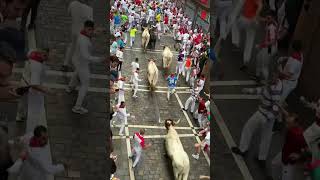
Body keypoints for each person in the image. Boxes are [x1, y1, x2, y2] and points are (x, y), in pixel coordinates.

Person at [231, 74, 283, 168]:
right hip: (266, 115)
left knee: (248, 128)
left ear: (276, 78)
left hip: (263, 114)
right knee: (266, 137)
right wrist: (250, 91)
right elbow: (263, 89)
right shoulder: (274, 84)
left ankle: (243, 150)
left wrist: (267, 118)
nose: (269, 80)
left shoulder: (275, 90)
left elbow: (276, 107)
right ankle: (261, 158)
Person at [66, 20, 103, 114]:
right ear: (85, 28)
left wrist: (100, 31)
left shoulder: (84, 34)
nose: (91, 32)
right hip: (82, 63)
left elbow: (92, 34)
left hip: (78, 61)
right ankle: (77, 107)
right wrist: (100, 59)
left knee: (77, 73)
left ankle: (70, 87)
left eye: (92, 29)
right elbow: (86, 56)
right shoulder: (83, 41)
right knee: (85, 85)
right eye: (89, 30)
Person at [16, 48, 54, 128]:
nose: (53, 57)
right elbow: (34, 84)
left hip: (24, 80)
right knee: (29, 106)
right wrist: (47, 90)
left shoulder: (33, 53)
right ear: (45, 55)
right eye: (51, 55)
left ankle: (20, 115)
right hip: (29, 87)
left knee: (22, 102)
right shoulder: (37, 66)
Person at [271, 112, 307, 180]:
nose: (286, 125)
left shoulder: (299, 136)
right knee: (274, 164)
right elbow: (287, 115)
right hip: (283, 153)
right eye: (286, 122)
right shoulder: (290, 128)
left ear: (296, 124)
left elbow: (308, 149)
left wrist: (299, 155)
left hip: (289, 162)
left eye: (289, 123)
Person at [230, 0, 263, 71]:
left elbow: (260, 5)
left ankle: (236, 41)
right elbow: (259, 5)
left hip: (246, 19)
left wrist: (256, 16)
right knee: (249, 41)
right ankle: (246, 60)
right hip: (250, 20)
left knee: (234, 22)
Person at [62, 0, 93, 72]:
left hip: (74, 30)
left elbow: (69, 13)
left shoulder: (72, 4)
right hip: (83, 32)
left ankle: (65, 64)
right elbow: (90, 22)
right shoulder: (88, 9)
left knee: (72, 47)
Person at [254, 12, 278, 82]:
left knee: (264, 65)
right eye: (267, 18)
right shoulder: (271, 23)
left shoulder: (272, 27)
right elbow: (262, 19)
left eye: (269, 18)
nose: (267, 19)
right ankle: (257, 76)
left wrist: (260, 45)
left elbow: (272, 42)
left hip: (270, 48)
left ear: (273, 18)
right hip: (269, 46)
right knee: (258, 58)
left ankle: (265, 82)